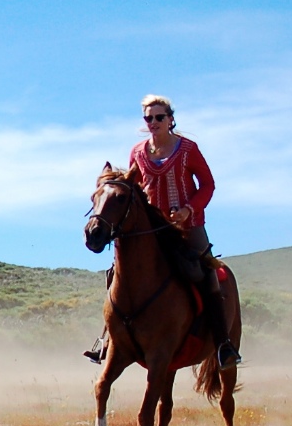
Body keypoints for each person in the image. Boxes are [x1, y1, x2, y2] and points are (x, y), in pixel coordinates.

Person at [85, 95, 238, 368]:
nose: (153, 122)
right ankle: (107, 339)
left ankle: (222, 344)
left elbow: (208, 185)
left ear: (170, 119)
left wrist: (188, 210)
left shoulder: (188, 149)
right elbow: (135, 187)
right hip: (152, 231)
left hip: (188, 227)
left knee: (206, 272)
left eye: (158, 117)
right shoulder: (137, 152)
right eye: (148, 118)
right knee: (116, 273)